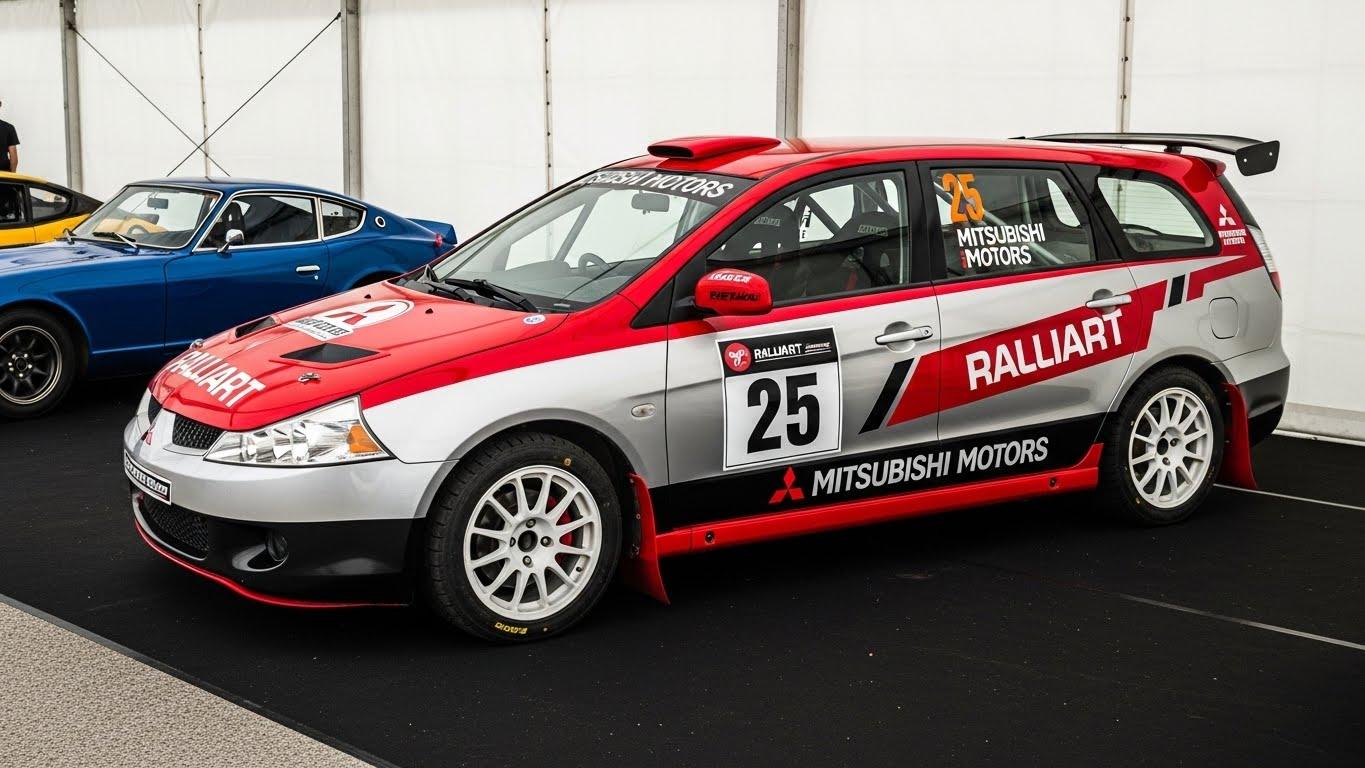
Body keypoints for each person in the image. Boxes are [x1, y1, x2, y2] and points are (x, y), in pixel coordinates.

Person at [0, 100, 18, 173]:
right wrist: (13, 176)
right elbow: (13, 156)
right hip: (3, 174)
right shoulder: (8, 127)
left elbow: (13, 156)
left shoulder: (9, 128)